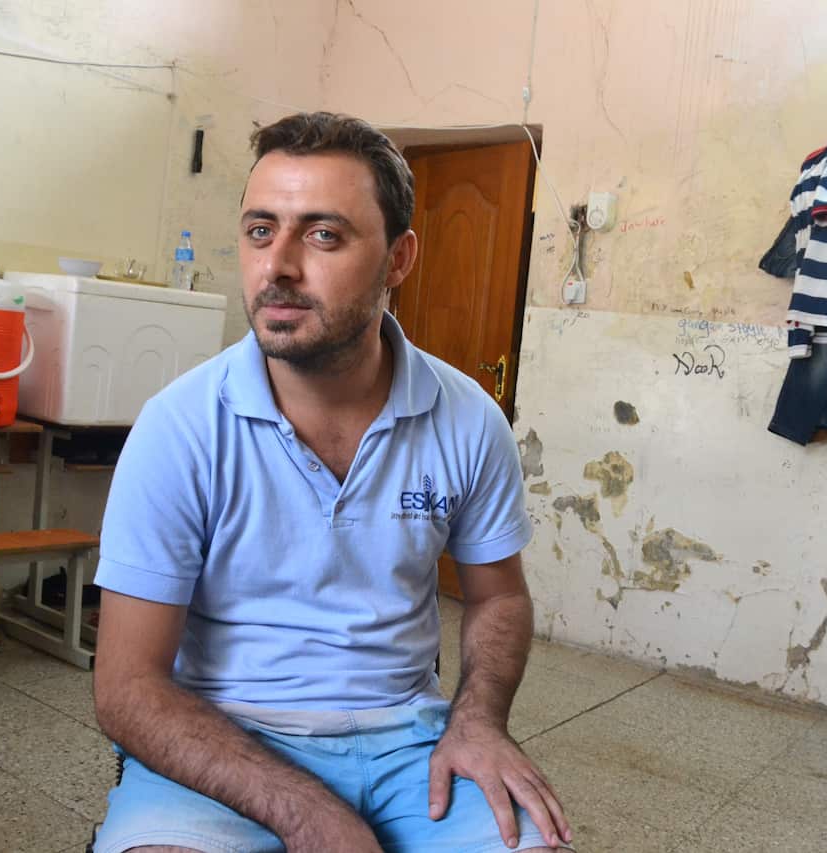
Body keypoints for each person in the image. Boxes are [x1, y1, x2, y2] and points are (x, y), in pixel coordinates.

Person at [90, 112, 572, 853]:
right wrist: (312, 814)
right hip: (220, 739)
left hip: (408, 744)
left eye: (322, 235)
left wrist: (478, 719)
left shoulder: (468, 420)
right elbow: (127, 687)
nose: (277, 265)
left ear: (399, 258)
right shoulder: (181, 427)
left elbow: (499, 593)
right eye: (260, 231)